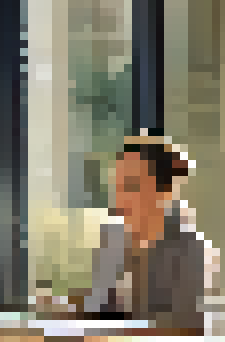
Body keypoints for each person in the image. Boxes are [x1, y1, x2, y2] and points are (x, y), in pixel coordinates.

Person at [79, 134, 215, 330]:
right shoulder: (112, 238)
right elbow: (97, 310)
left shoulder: (192, 251)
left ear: (165, 192)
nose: (119, 199)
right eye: (116, 187)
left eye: (131, 186)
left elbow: (181, 330)